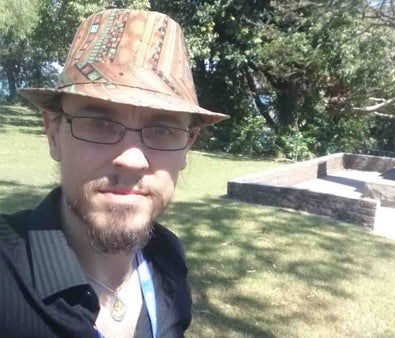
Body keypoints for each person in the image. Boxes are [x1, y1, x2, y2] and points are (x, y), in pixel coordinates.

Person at [0, 8, 228, 338]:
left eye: (163, 129)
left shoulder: (168, 260)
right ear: (53, 134)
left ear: (187, 148)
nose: (133, 160)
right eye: (99, 123)